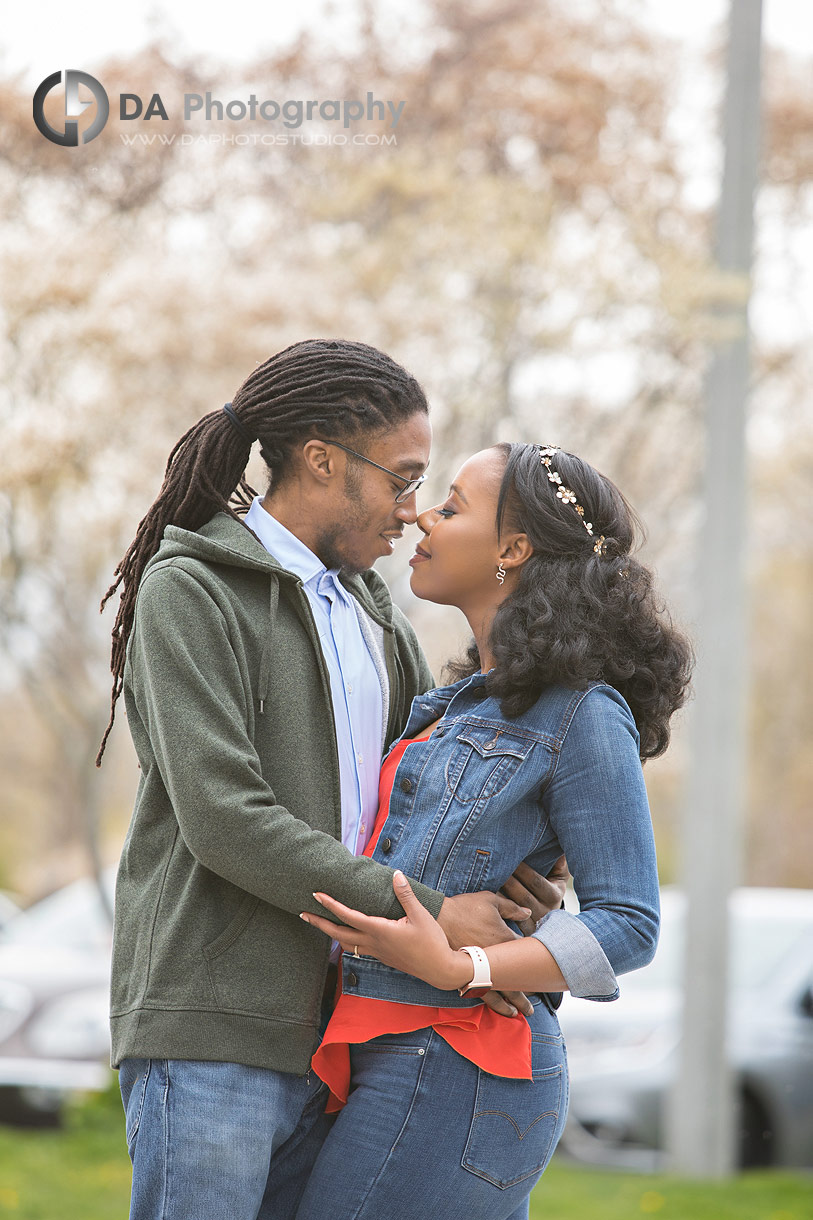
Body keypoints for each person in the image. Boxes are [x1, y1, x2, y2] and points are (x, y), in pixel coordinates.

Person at [98, 340, 565, 1220]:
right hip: (215, 1024)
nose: (412, 510)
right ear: (321, 459)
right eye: (400, 477)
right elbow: (224, 817)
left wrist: (497, 879)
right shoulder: (191, 590)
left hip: (343, 1029)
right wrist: (427, 905)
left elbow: (424, 789)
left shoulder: (372, 609)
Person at [297, 441, 693, 1220]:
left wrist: (464, 965)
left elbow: (629, 923)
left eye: (449, 507)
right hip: (385, 1053)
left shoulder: (581, 712)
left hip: (459, 1064)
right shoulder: (448, 709)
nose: (419, 517)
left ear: (512, 549)